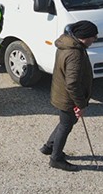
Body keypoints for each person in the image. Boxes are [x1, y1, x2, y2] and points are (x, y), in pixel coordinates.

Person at [41, 20, 98, 172]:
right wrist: (80, 104)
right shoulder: (75, 54)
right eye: (93, 37)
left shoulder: (67, 44)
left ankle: (49, 146)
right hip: (68, 98)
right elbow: (72, 83)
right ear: (83, 37)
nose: (95, 40)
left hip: (60, 93)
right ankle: (56, 158)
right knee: (66, 126)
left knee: (64, 122)